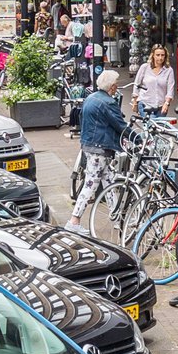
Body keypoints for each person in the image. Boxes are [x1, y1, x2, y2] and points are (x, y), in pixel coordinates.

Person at [67, 70, 127, 234]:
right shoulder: (108, 102)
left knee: (108, 182)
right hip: (100, 148)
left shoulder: (90, 98)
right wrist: (138, 138)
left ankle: (117, 218)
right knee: (91, 184)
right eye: (115, 85)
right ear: (112, 86)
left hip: (89, 146)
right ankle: (74, 220)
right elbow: (121, 126)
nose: (116, 88)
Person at [132, 45, 176, 118]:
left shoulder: (169, 70)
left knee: (160, 127)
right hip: (145, 104)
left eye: (162, 55)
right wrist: (135, 102)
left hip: (160, 106)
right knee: (151, 125)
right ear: (153, 55)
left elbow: (170, 89)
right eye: (158, 55)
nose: (160, 58)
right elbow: (136, 85)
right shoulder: (145, 67)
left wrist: (167, 103)